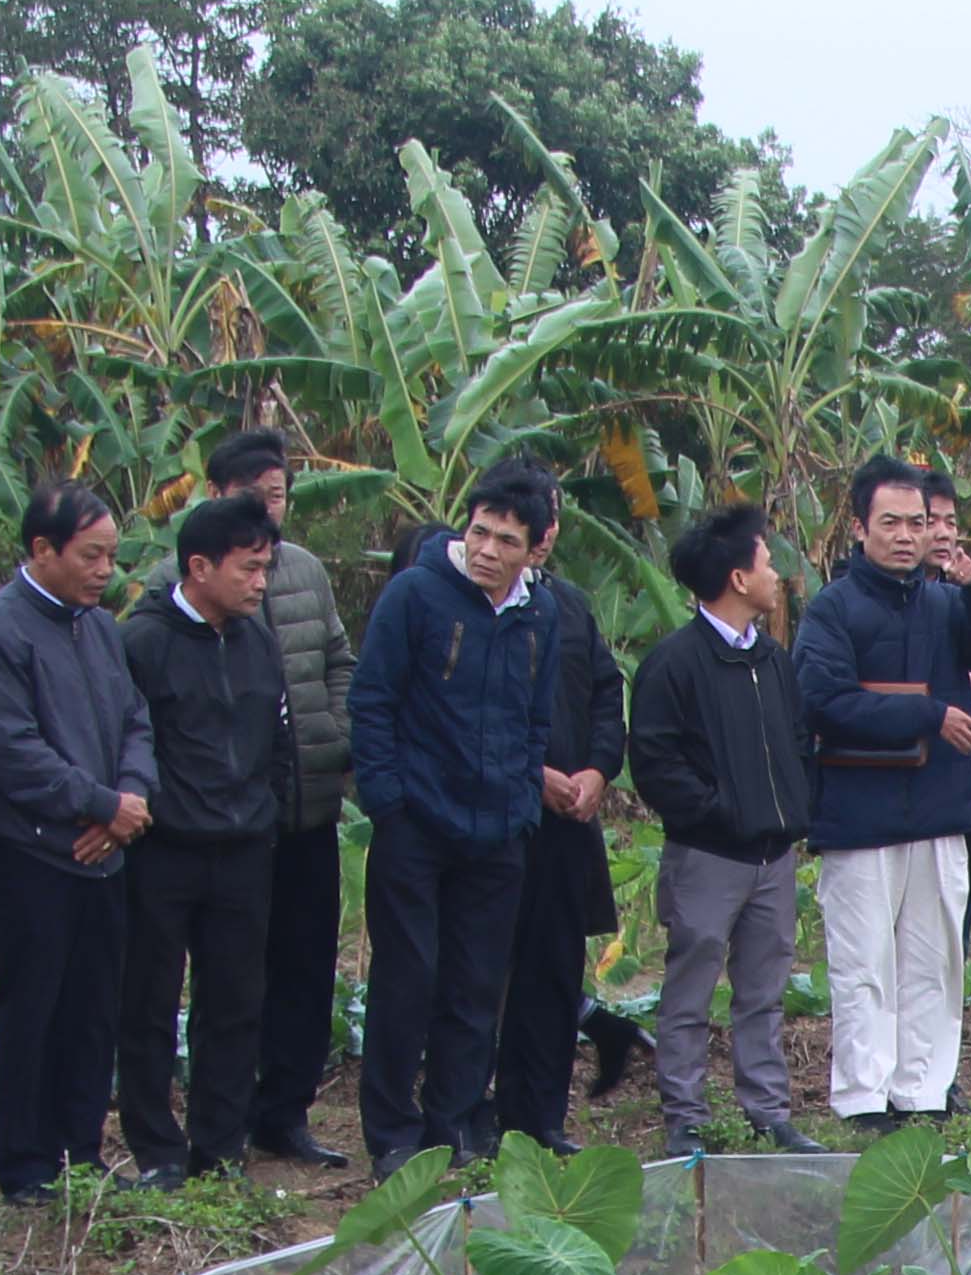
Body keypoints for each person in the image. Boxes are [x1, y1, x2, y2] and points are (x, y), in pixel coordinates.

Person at [344, 463, 565, 1177]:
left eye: (507, 539)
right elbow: (372, 701)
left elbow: (536, 718)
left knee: (475, 986)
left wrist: (522, 803)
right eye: (479, 531)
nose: (488, 549)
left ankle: (455, 1122)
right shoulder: (415, 595)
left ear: (534, 550)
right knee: (408, 978)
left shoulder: (541, 613)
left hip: (499, 827)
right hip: (417, 822)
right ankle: (393, 1135)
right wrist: (388, 802)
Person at [797, 456, 971, 1129]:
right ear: (861, 526)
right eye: (891, 521)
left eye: (918, 522)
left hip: (941, 809)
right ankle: (864, 1099)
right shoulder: (831, 608)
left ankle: (923, 1091)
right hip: (858, 814)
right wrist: (930, 713)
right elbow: (824, 700)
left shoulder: (949, 604)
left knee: (935, 959)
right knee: (864, 962)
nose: (906, 534)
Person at [0, 478, 155, 1204]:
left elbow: (135, 720)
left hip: (105, 851)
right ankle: (25, 1162)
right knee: (32, 1007)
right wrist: (101, 805)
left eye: (111, 556)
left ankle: (81, 1149)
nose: (105, 570)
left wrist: (126, 805)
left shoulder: (98, 626)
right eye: (91, 555)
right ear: (42, 550)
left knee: (94, 1006)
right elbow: (13, 752)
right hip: (34, 854)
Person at [624, 498, 817, 1150]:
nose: (776, 575)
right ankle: (686, 1118)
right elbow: (655, 763)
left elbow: (795, 740)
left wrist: (793, 809)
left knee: (763, 990)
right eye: (767, 562)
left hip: (774, 856)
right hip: (708, 858)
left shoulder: (773, 661)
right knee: (690, 992)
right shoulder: (674, 663)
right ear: (738, 578)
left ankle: (768, 1112)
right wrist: (717, 813)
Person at [110, 489, 291, 1185]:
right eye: (247, 568)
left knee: (235, 1002)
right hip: (164, 851)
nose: (259, 582)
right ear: (198, 567)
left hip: (244, 849)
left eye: (265, 567)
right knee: (150, 1001)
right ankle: (156, 1147)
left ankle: (220, 1145)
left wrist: (264, 808)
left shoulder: (256, 642)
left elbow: (275, 739)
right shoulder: (142, 642)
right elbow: (127, 740)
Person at [204, 426, 355, 1166]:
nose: (269, 511)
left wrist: (334, 733)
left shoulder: (305, 572)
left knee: (305, 964)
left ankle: (286, 1112)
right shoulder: (198, 578)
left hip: (311, 807)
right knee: (236, 974)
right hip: (235, 819)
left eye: (278, 497)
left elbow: (337, 659)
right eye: (253, 497)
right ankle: (224, 1119)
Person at [485, 489, 625, 1155]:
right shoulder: (463, 606)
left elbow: (605, 691)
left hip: (572, 818)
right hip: (499, 814)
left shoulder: (567, 604)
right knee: (483, 972)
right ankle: (467, 1115)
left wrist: (599, 768)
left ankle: (539, 1116)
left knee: (554, 973)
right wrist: (531, 773)